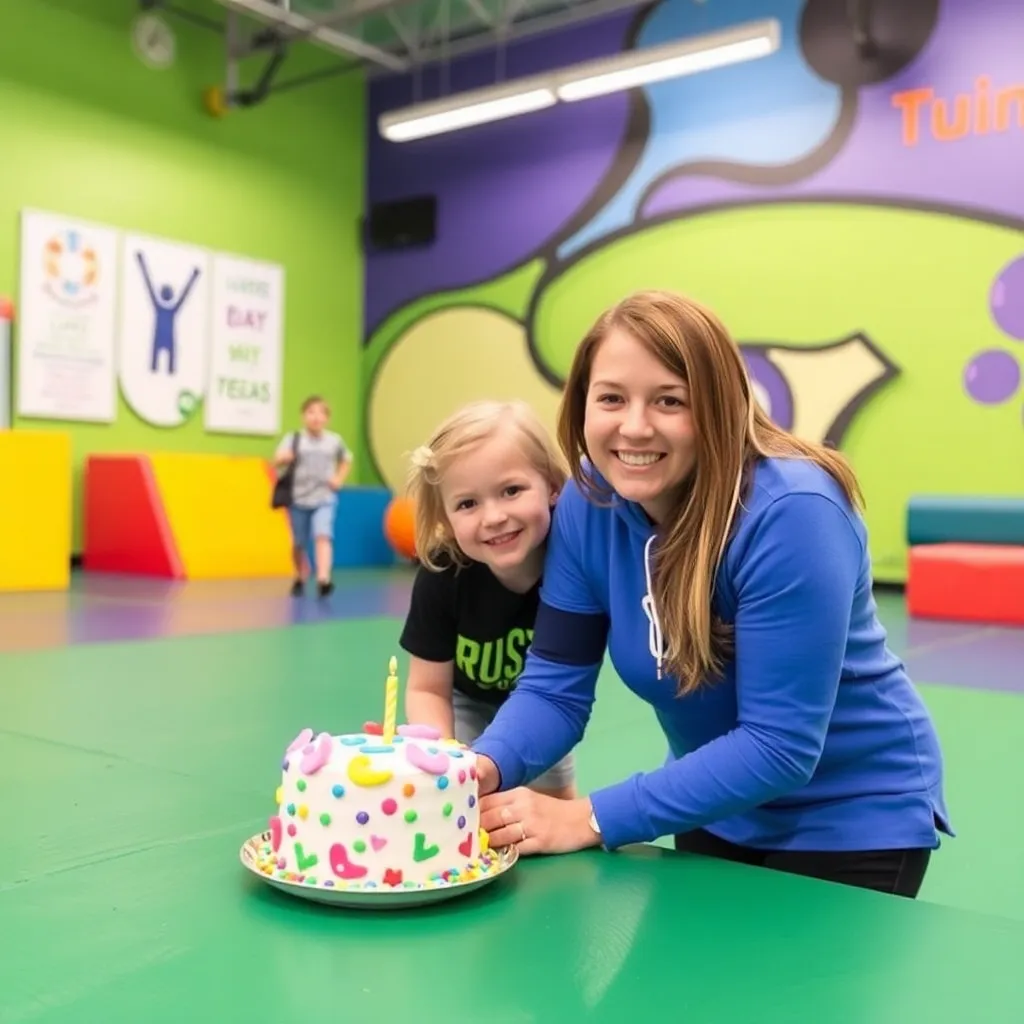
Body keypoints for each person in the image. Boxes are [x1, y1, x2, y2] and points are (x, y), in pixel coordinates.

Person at [471, 290, 951, 898]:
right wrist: (478, 767)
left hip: (851, 818)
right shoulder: (590, 502)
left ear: (719, 406)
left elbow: (779, 746)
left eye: (669, 400)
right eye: (611, 398)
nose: (634, 426)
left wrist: (590, 818)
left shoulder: (793, 513)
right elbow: (553, 688)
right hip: (715, 804)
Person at [398, 400, 577, 800]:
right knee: (456, 796)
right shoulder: (443, 575)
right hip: (466, 701)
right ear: (445, 519)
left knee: (552, 803)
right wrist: (443, 756)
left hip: (546, 705)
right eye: (468, 503)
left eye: (511, 491)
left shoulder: (573, 564)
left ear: (552, 485)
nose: (493, 517)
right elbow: (427, 689)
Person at [274, 395, 352, 597]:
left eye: (320, 413)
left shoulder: (334, 441)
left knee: (322, 535)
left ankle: (323, 579)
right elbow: (277, 459)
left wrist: (339, 478)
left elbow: (346, 459)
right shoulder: (294, 439)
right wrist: (283, 458)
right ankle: (300, 575)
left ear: (326, 418)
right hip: (298, 498)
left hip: (324, 497)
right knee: (298, 543)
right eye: (311, 412)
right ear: (303, 416)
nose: (316, 417)